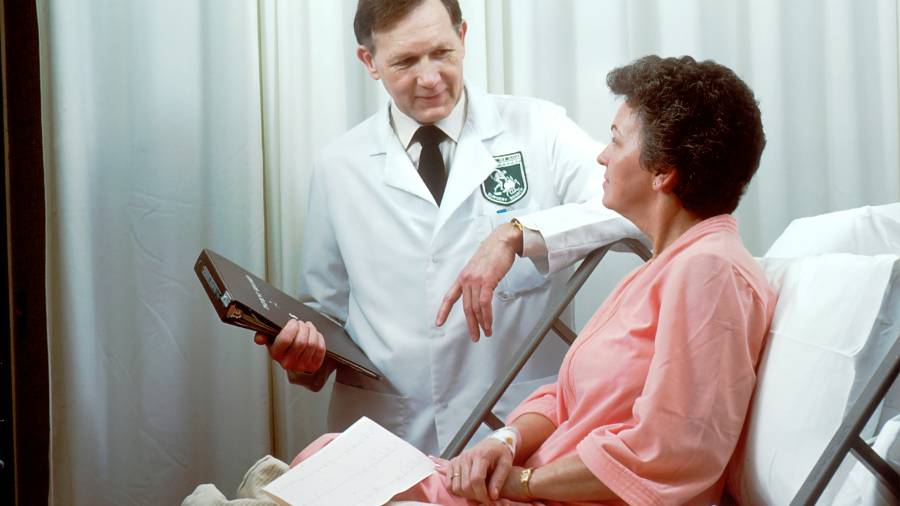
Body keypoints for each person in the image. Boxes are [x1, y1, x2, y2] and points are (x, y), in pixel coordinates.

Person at [292, 55, 777, 505]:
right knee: (329, 457)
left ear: (662, 173)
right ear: (369, 59)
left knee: (328, 477)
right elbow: (567, 395)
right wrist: (506, 439)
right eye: (404, 59)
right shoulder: (665, 267)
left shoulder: (710, 272)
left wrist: (522, 483)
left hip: (547, 494)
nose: (602, 157)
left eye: (616, 139)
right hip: (524, 479)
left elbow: (672, 453)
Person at [256, 0, 640, 455]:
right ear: (369, 61)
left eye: (442, 52)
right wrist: (304, 359)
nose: (430, 78)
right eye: (405, 61)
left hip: (515, 431)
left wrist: (517, 234)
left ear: (463, 36)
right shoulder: (339, 166)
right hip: (390, 436)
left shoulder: (540, 128)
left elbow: (634, 206)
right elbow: (327, 316)